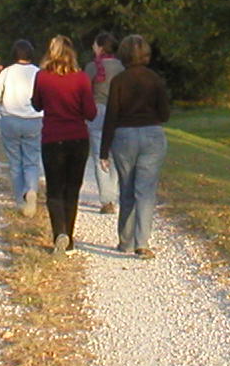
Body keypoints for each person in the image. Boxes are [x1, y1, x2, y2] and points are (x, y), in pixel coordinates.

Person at [99, 33, 171, 258]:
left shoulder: (118, 81)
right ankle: (142, 243)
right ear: (146, 54)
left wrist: (104, 151)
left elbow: (111, 115)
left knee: (127, 188)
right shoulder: (155, 79)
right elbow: (165, 114)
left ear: (123, 55)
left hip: (124, 137)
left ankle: (125, 241)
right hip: (152, 136)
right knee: (146, 191)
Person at [30, 34, 96, 255]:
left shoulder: (42, 77)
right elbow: (91, 113)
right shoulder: (81, 78)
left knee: (55, 189)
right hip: (78, 138)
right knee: (72, 190)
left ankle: (59, 233)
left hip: (52, 138)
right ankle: (69, 240)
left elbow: (37, 105)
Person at [0, 40, 42, 216]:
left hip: (10, 120)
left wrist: (1, 100)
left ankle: (20, 201)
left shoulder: (7, 73)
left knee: (15, 162)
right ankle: (31, 189)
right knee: (31, 160)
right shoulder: (38, 73)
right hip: (34, 120)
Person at [84, 31, 125, 214]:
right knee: (116, 156)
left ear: (100, 47)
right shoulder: (122, 67)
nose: (93, 47)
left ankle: (106, 200)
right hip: (119, 112)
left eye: (95, 44)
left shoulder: (92, 67)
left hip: (98, 112)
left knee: (99, 156)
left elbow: (83, 92)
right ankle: (113, 195)